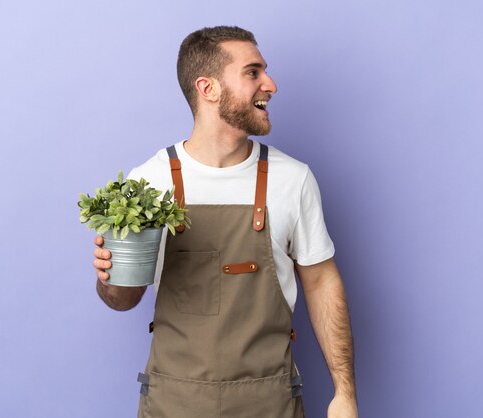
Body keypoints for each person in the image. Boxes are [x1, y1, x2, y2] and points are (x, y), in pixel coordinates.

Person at [92, 26, 358, 418]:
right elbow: (123, 300)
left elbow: (321, 282)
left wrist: (344, 393)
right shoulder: (149, 182)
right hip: (174, 403)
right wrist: (109, 278)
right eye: (253, 72)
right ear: (208, 88)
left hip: (270, 403)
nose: (271, 84)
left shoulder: (292, 179)